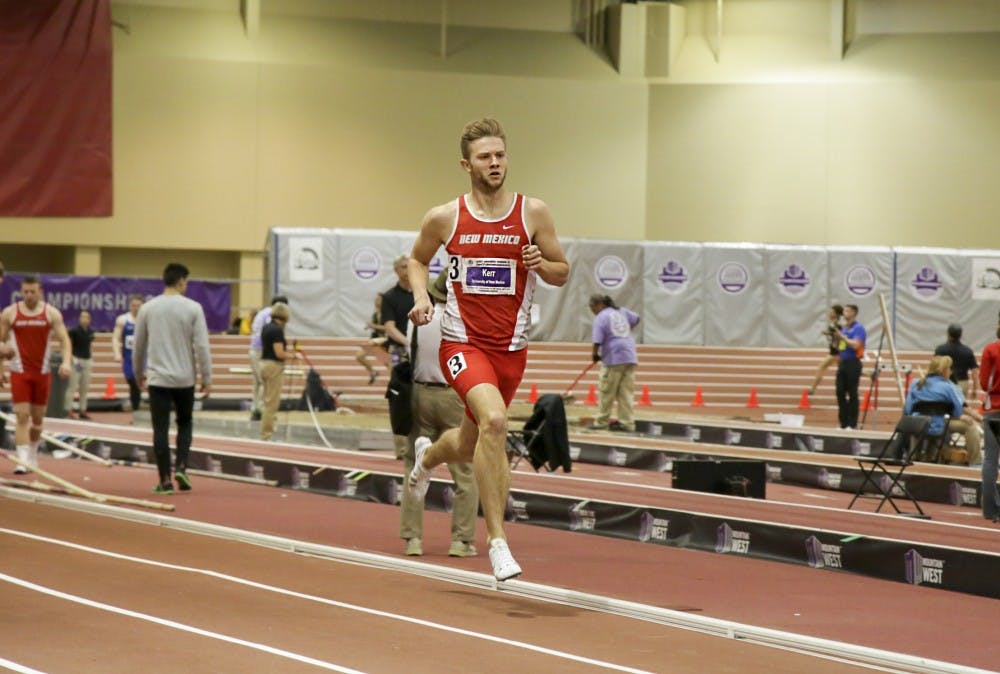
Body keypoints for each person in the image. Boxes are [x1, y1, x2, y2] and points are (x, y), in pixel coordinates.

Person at [406, 117, 569, 580]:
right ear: (466, 164)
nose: (494, 163)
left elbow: (562, 272)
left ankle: (427, 458)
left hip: (511, 351)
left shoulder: (532, 213)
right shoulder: (446, 217)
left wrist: (543, 262)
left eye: (500, 155)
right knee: (496, 421)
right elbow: (418, 259)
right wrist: (421, 296)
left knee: (471, 440)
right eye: (484, 157)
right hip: (462, 343)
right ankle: (497, 541)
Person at [400, 270, 479, 558]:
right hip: (454, 395)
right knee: (465, 471)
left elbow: (411, 355)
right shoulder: (464, 321)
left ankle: (413, 539)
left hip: (420, 393)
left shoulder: (417, 320)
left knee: (414, 465)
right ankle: (461, 540)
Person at [132, 263, 212, 494]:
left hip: (158, 380)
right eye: (186, 282)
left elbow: (139, 347)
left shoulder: (148, 308)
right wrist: (207, 378)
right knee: (185, 424)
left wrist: (139, 374)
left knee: (160, 429)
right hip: (184, 380)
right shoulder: (194, 308)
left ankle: (165, 479)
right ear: (181, 282)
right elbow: (202, 347)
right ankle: (182, 467)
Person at [0, 275, 72, 474]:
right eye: (25, 292)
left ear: (40, 291)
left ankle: (32, 454)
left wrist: (66, 362)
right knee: (22, 416)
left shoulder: (51, 313)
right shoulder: (10, 313)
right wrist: (1, 370)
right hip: (19, 372)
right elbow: (0, 343)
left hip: (42, 372)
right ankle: (22, 461)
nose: (29, 296)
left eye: (33, 292)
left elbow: (65, 340)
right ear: (21, 292)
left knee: (38, 420)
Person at [904, 355, 982, 465]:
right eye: (950, 368)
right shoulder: (948, 387)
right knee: (970, 426)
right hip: (938, 426)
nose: (951, 372)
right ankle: (976, 462)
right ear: (944, 370)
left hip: (917, 426)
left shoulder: (915, 383)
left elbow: (907, 409)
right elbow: (958, 411)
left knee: (916, 422)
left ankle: (914, 455)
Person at [586, 294, 640, 432]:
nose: (593, 311)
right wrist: (626, 329)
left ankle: (602, 422)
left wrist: (594, 355)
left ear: (599, 305)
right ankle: (627, 423)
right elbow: (636, 318)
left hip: (614, 357)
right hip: (630, 355)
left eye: (593, 308)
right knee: (626, 393)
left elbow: (597, 340)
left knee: (607, 391)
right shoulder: (621, 311)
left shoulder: (601, 317)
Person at [381, 255, 415, 459]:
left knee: (423, 395)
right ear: (396, 270)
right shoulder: (390, 297)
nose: (407, 270)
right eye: (403, 267)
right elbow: (389, 327)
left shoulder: (422, 293)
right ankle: (401, 448)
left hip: (422, 350)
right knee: (400, 396)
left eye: (410, 266)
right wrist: (408, 342)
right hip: (399, 351)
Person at [258, 302, 300, 441]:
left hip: (263, 363)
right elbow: (279, 353)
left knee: (267, 400)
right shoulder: (277, 331)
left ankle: (267, 431)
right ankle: (267, 435)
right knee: (272, 403)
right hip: (273, 366)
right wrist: (293, 356)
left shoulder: (266, 327)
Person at [248, 295, 287, 422]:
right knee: (266, 382)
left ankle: (256, 409)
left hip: (254, 349)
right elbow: (271, 336)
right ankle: (262, 411)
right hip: (262, 350)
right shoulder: (271, 316)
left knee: (257, 382)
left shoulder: (262, 313)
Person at [978, 323, 1000, 522]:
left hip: (994, 409)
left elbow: (985, 383)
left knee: (991, 460)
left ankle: (990, 509)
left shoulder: (991, 349)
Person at [832, 304, 865, 430]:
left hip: (853, 362)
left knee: (852, 393)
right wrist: (835, 339)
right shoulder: (844, 328)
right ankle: (843, 423)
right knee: (840, 392)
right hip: (843, 363)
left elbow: (856, 345)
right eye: (844, 310)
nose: (844, 313)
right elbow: (839, 346)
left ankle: (852, 424)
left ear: (853, 313)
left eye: (847, 311)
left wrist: (843, 338)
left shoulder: (858, 328)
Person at [112, 294, 144, 414]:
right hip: (129, 358)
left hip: (144, 357)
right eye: (133, 305)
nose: (135, 308)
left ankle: (137, 408)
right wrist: (117, 353)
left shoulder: (147, 319)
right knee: (133, 382)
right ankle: (136, 408)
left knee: (140, 383)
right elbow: (115, 338)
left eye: (138, 306)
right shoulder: (123, 320)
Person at [934, 323, 978, 399]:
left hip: (944, 382)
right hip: (962, 382)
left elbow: (934, 366)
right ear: (960, 336)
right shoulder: (967, 351)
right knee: (960, 406)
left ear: (948, 334)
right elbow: (974, 370)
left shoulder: (940, 349)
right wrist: (975, 388)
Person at [65, 310, 95, 420]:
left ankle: (83, 409)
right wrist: (72, 359)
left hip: (87, 360)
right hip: (76, 360)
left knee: (84, 387)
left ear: (90, 319)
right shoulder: (74, 331)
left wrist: (91, 358)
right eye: (82, 317)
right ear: (79, 318)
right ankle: (68, 409)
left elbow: (90, 346)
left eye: (87, 317)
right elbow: (68, 345)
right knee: (72, 386)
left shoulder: (91, 332)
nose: (84, 319)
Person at [808, 304, 844, 395]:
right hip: (837, 351)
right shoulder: (834, 323)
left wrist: (837, 347)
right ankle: (869, 374)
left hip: (835, 352)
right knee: (846, 369)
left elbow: (840, 336)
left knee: (821, 367)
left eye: (832, 312)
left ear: (836, 314)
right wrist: (827, 333)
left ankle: (812, 388)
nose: (829, 313)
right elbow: (835, 334)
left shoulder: (836, 324)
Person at [355, 293, 389, 385]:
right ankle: (373, 371)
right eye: (376, 299)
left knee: (388, 363)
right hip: (376, 339)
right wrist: (371, 327)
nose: (376, 301)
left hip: (385, 340)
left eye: (379, 299)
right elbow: (376, 327)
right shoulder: (376, 313)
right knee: (359, 356)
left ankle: (396, 382)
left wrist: (373, 326)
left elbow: (388, 328)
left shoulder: (387, 312)